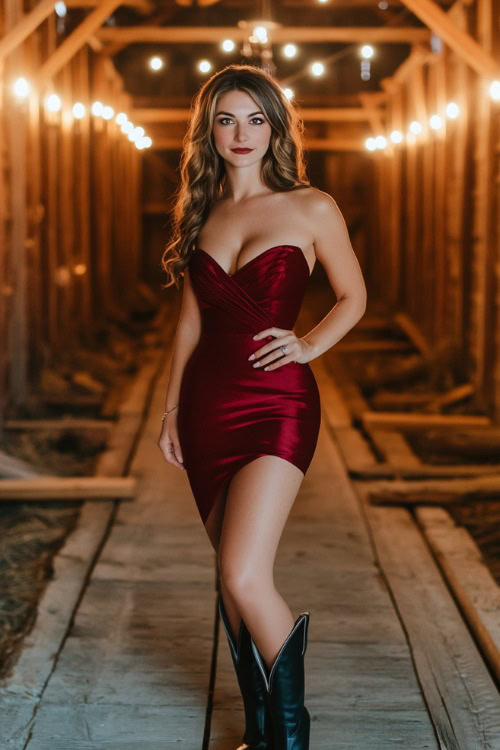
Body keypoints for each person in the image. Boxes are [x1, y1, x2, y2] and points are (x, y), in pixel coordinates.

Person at [158, 64, 367, 750]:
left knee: (247, 573)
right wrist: (168, 414)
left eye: (255, 119)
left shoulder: (312, 206)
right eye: (226, 119)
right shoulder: (204, 210)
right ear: (208, 130)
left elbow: (353, 298)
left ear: (276, 126)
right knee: (228, 576)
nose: (241, 133)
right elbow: (188, 325)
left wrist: (307, 346)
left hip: (278, 402)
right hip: (206, 406)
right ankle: (258, 734)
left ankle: (291, 738)